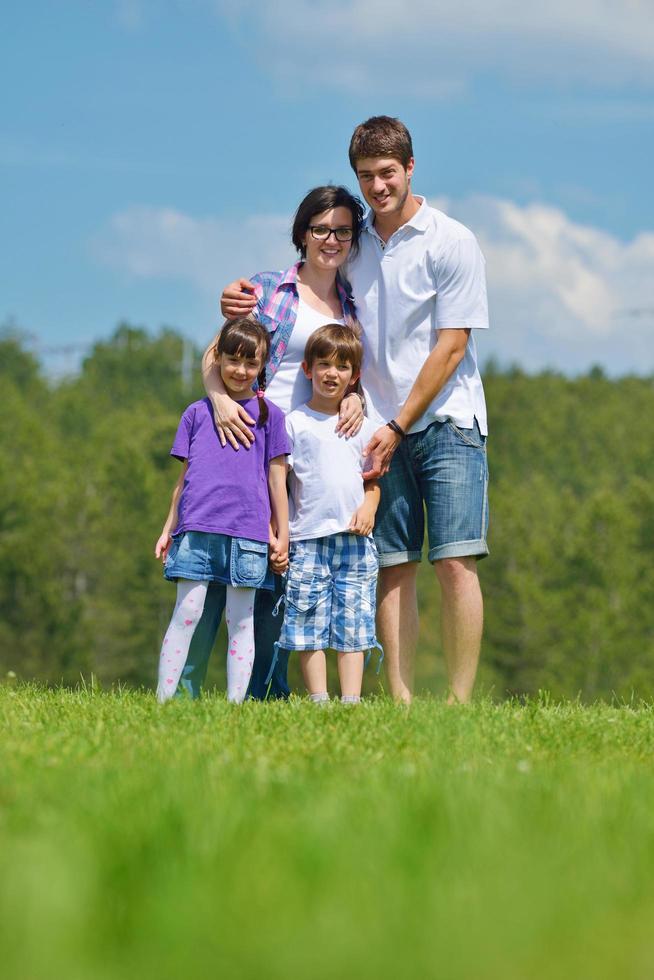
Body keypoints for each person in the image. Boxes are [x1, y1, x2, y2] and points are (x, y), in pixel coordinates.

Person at [222, 116, 489, 705]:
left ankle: (461, 702)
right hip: (372, 433)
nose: (377, 186)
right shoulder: (358, 244)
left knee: (454, 561)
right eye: (366, 175)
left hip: (446, 422)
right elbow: (307, 278)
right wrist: (243, 295)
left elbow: (454, 345)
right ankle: (399, 699)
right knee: (392, 566)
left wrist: (395, 424)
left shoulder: (452, 240)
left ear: (411, 167)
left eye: (387, 173)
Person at [176, 185, 367, 701]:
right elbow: (218, 353)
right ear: (303, 232)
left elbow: (348, 370)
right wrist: (218, 399)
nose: (331, 240)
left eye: (343, 231)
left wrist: (358, 400)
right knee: (217, 566)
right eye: (321, 228)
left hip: (305, 449)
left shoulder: (352, 305)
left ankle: (266, 691)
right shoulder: (267, 290)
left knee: (283, 569)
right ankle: (185, 689)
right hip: (244, 436)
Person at [154, 318, 289, 703]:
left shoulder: (270, 416)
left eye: (251, 363)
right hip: (196, 530)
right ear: (219, 359)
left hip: (248, 534)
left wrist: (282, 534)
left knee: (241, 620)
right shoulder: (196, 413)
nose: (240, 370)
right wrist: (168, 528)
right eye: (232, 360)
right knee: (186, 613)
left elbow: (277, 480)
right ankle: (164, 701)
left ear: (262, 366)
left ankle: (234, 705)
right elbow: (183, 481)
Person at [278, 324, 381, 704]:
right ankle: (318, 699)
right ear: (307, 369)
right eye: (323, 364)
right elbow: (282, 483)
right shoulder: (294, 423)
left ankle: (351, 700)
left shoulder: (363, 426)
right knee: (308, 620)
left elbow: (373, 480)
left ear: (354, 376)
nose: (331, 374)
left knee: (353, 621)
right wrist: (281, 532)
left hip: (355, 540)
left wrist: (370, 506)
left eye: (341, 367)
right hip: (307, 538)